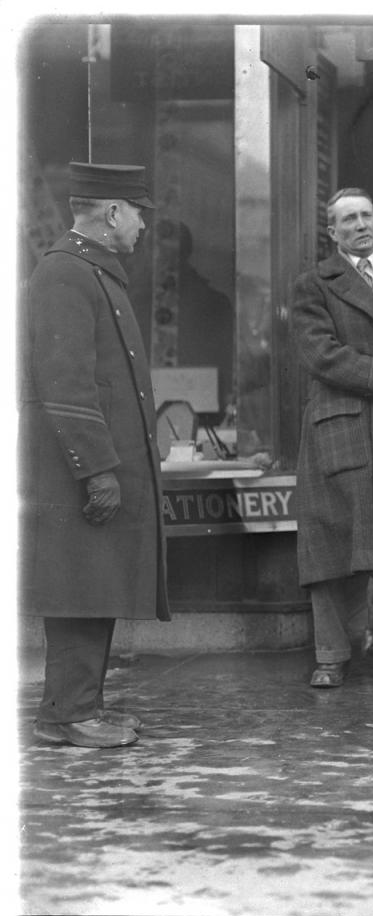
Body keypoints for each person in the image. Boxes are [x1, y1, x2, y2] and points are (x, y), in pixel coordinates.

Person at [20, 161, 167, 748]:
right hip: (78, 469)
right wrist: (98, 469)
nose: (143, 227)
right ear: (112, 213)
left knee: (92, 584)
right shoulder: (66, 273)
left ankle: (79, 709)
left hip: (91, 465)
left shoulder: (88, 270)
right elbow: (66, 383)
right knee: (79, 585)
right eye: (139, 213)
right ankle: (67, 715)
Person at [291, 187, 373, 688]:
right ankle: (330, 655)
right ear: (333, 232)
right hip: (341, 422)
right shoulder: (314, 284)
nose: (360, 225)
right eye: (348, 219)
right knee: (331, 542)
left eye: (367, 215)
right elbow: (320, 355)